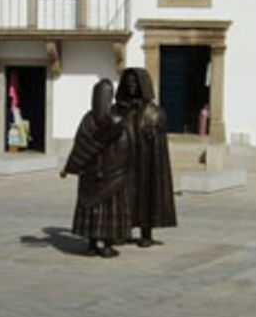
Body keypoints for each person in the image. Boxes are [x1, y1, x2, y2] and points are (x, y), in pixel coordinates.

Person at [60, 79, 132, 258]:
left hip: (104, 173)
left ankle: (97, 244)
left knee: (99, 209)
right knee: (101, 208)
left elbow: (121, 148)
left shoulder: (100, 120)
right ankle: (99, 244)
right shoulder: (100, 120)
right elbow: (82, 144)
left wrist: (73, 166)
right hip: (104, 173)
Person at [115, 67, 176, 246]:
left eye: (135, 82)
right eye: (129, 82)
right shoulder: (119, 110)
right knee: (123, 196)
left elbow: (158, 144)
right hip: (124, 161)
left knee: (145, 195)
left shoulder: (154, 112)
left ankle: (146, 233)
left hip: (145, 161)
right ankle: (122, 230)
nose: (132, 86)